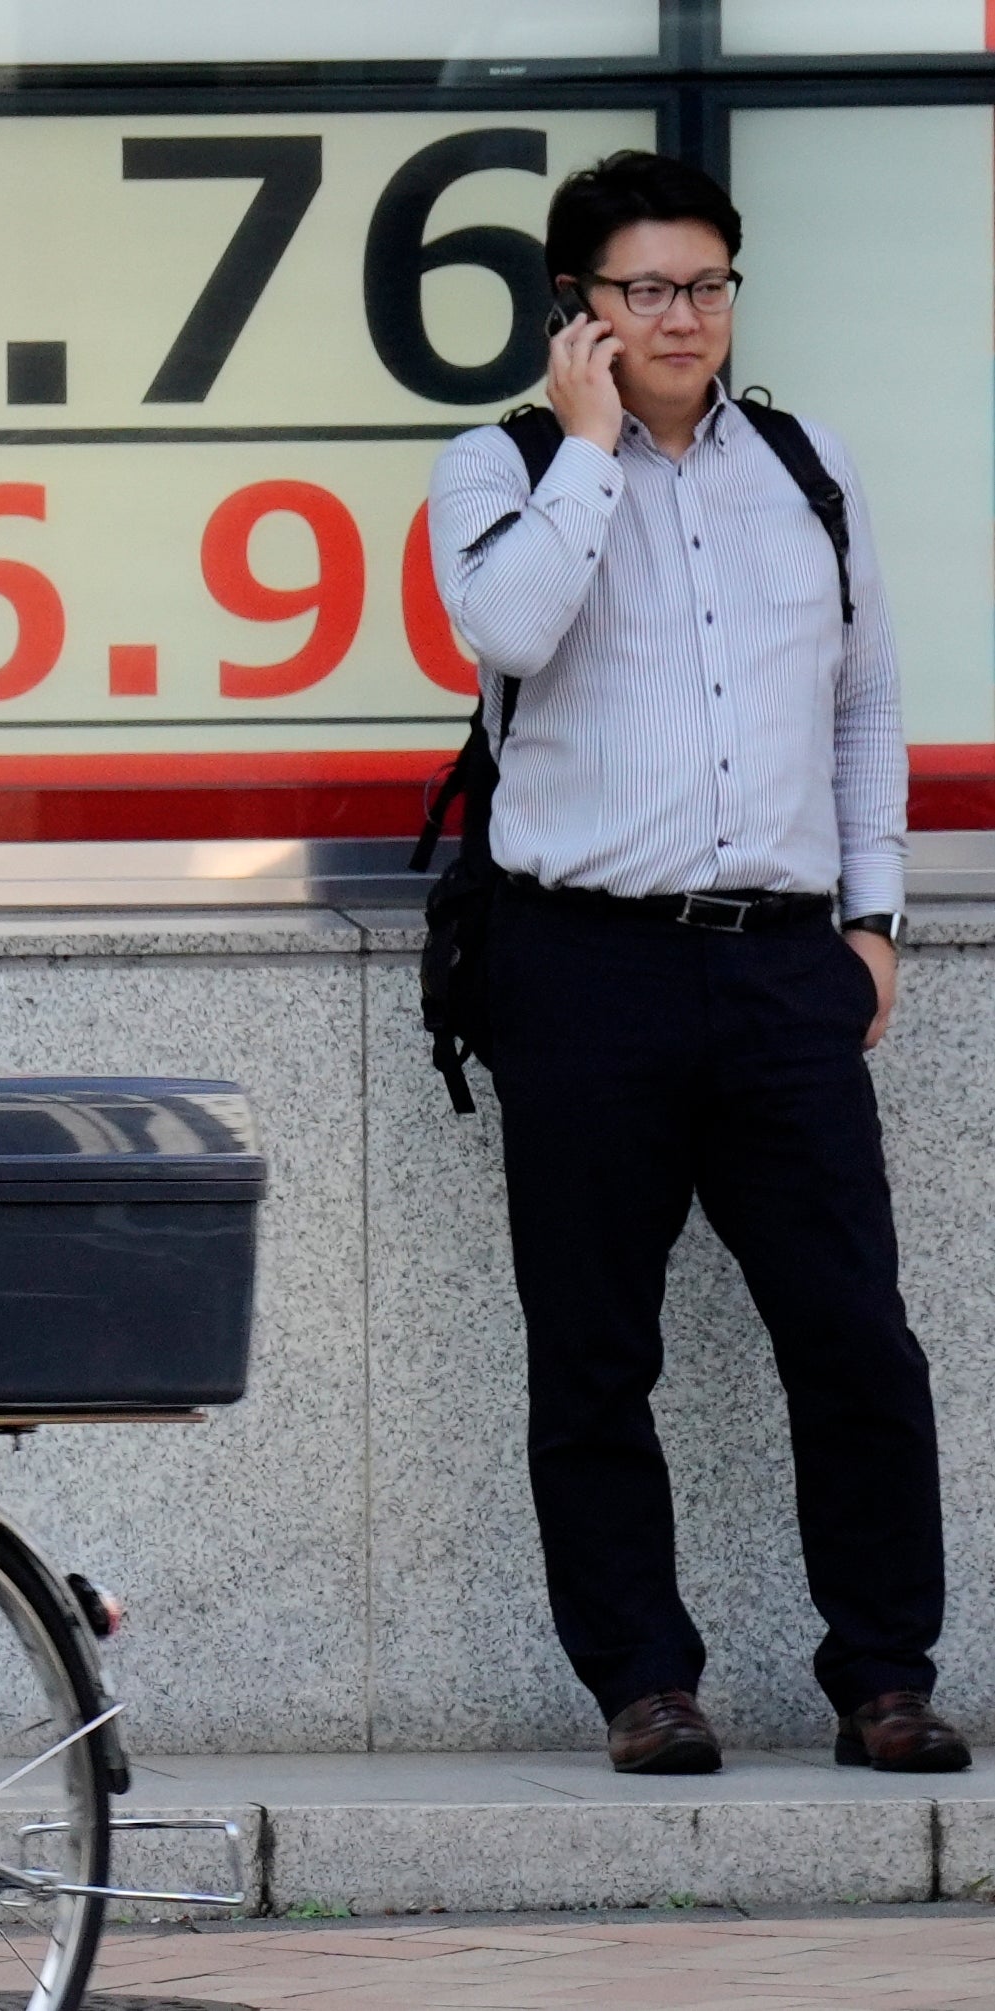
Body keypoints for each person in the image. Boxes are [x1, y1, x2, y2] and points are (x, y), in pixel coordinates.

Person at [428, 150, 964, 1778]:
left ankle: (882, 1670)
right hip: (580, 967)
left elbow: (864, 700)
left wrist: (870, 920)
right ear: (576, 315)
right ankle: (640, 1681)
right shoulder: (496, 465)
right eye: (644, 290)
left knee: (853, 1332)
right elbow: (509, 631)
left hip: (781, 970)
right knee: (592, 1348)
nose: (683, 316)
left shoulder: (804, 465)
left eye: (705, 284)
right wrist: (590, 452)